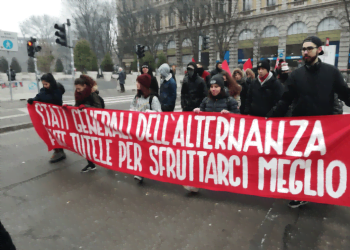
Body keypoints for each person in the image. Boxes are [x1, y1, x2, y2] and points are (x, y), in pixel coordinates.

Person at [269, 36, 350, 208]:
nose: (305, 52)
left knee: (322, 161)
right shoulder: (296, 75)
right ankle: (301, 193)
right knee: (302, 162)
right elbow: (286, 100)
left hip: (325, 128)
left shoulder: (332, 72)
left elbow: (345, 94)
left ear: (319, 50)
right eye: (303, 49)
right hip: (302, 128)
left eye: (309, 48)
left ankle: (322, 190)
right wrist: (270, 118)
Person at [184, 74, 240, 193]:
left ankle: (225, 182)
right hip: (209, 137)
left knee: (222, 160)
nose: (213, 89)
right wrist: (198, 111)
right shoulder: (206, 100)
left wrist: (230, 114)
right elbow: (202, 111)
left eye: (216, 86)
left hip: (224, 139)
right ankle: (195, 184)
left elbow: (239, 118)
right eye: (211, 87)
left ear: (221, 87)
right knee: (202, 159)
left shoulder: (230, 100)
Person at [27, 73, 66, 163]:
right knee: (50, 134)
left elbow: (55, 100)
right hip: (48, 117)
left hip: (57, 117)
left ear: (51, 83)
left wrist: (43, 98)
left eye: (46, 84)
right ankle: (58, 151)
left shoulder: (57, 90)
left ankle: (59, 151)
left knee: (56, 134)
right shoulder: (43, 90)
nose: (45, 86)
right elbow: (39, 96)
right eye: (43, 84)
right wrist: (33, 100)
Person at [131, 74, 162, 183]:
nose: (137, 84)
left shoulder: (153, 98)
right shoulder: (136, 97)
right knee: (139, 150)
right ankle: (140, 172)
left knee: (147, 151)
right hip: (138, 129)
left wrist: (149, 113)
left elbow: (159, 114)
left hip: (149, 130)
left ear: (144, 84)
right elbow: (131, 109)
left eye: (138, 82)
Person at [70, 75, 102, 173]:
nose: (78, 91)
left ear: (84, 86)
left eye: (79, 88)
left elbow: (99, 108)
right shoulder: (78, 94)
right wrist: (70, 107)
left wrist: (86, 107)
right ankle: (91, 164)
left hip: (94, 124)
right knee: (86, 144)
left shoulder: (93, 94)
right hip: (84, 124)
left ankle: (110, 161)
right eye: (76, 89)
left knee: (99, 145)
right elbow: (77, 106)